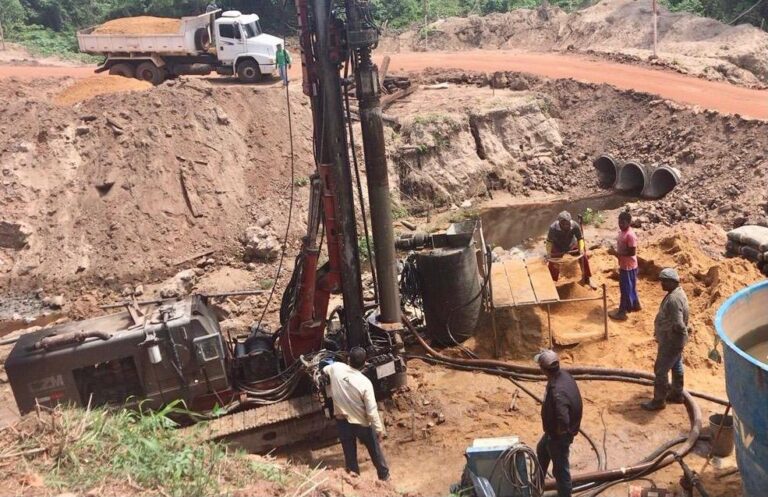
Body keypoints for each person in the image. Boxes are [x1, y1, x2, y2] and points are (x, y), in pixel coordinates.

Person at [323, 347, 390, 481]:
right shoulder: (365, 383)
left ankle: (355, 483)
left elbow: (325, 369)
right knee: (374, 450)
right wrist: (379, 430)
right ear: (364, 363)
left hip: (342, 423)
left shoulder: (336, 368)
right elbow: (372, 411)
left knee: (350, 456)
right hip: (361, 424)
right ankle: (384, 477)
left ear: (348, 359)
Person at [534, 349, 583, 497]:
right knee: (542, 450)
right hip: (554, 433)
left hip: (558, 436)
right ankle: (535, 488)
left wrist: (557, 436)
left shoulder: (557, 392)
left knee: (561, 471)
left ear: (543, 369)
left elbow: (563, 419)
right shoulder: (564, 376)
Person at [641, 268, 690, 411]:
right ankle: (677, 393)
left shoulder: (674, 299)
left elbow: (678, 323)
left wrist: (679, 333)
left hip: (671, 341)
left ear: (671, 282)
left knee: (661, 371)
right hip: (676, 340)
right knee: (676, 365)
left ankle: (659, 400)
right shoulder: (678, 293)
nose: (661, 284)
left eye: (663, 281)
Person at [546, 211, 593, 287]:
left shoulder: (574, 225)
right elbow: (549, 241)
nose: (566, 225)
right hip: (557, 246)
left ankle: (587, 278)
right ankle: (552, 282)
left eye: (567, 223)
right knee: (553, 263)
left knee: (583, 257)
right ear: (559, 222)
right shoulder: (553, 228)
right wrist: (548, 253)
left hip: (571, 245)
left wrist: (581, 249)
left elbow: (580, 239)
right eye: (563, 224)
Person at [609, 211, 641, 321]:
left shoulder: (630, 235)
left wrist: (617, 254)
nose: (620, 224)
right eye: (619, 222)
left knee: (625, 288)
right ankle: (636, 305)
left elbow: (632, 252)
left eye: (623, 222)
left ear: (629, 223)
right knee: (631, 286)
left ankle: (622, 312)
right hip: (627, 264)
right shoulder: (623, 232)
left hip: (628, 266)